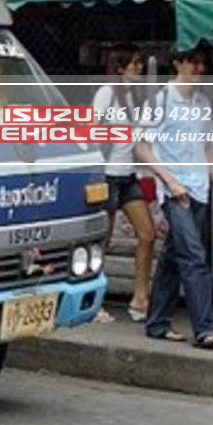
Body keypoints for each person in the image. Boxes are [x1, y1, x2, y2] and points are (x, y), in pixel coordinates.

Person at [135, 49, 213, 349]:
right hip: (176, 191)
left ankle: (157, 323)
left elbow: (208, 149)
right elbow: (141, 146)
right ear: (178, 63)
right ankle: (204, 328)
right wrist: (170, 181)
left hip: (200, 188)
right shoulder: (160, 100)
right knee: (193, 256)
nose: (198, 67)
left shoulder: (202, 102)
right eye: (193, 61)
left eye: (202, 62)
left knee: (173, 259)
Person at [92, 45, 156, 323]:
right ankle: (95, 301)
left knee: (148, 233)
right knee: (101, 242)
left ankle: (140, 297)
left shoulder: (134, 97)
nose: (138, 68)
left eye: (140, 63)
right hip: (107, 176)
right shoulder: (107, 93)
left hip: (128, 174)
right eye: (134, 64)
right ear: (120, 69)